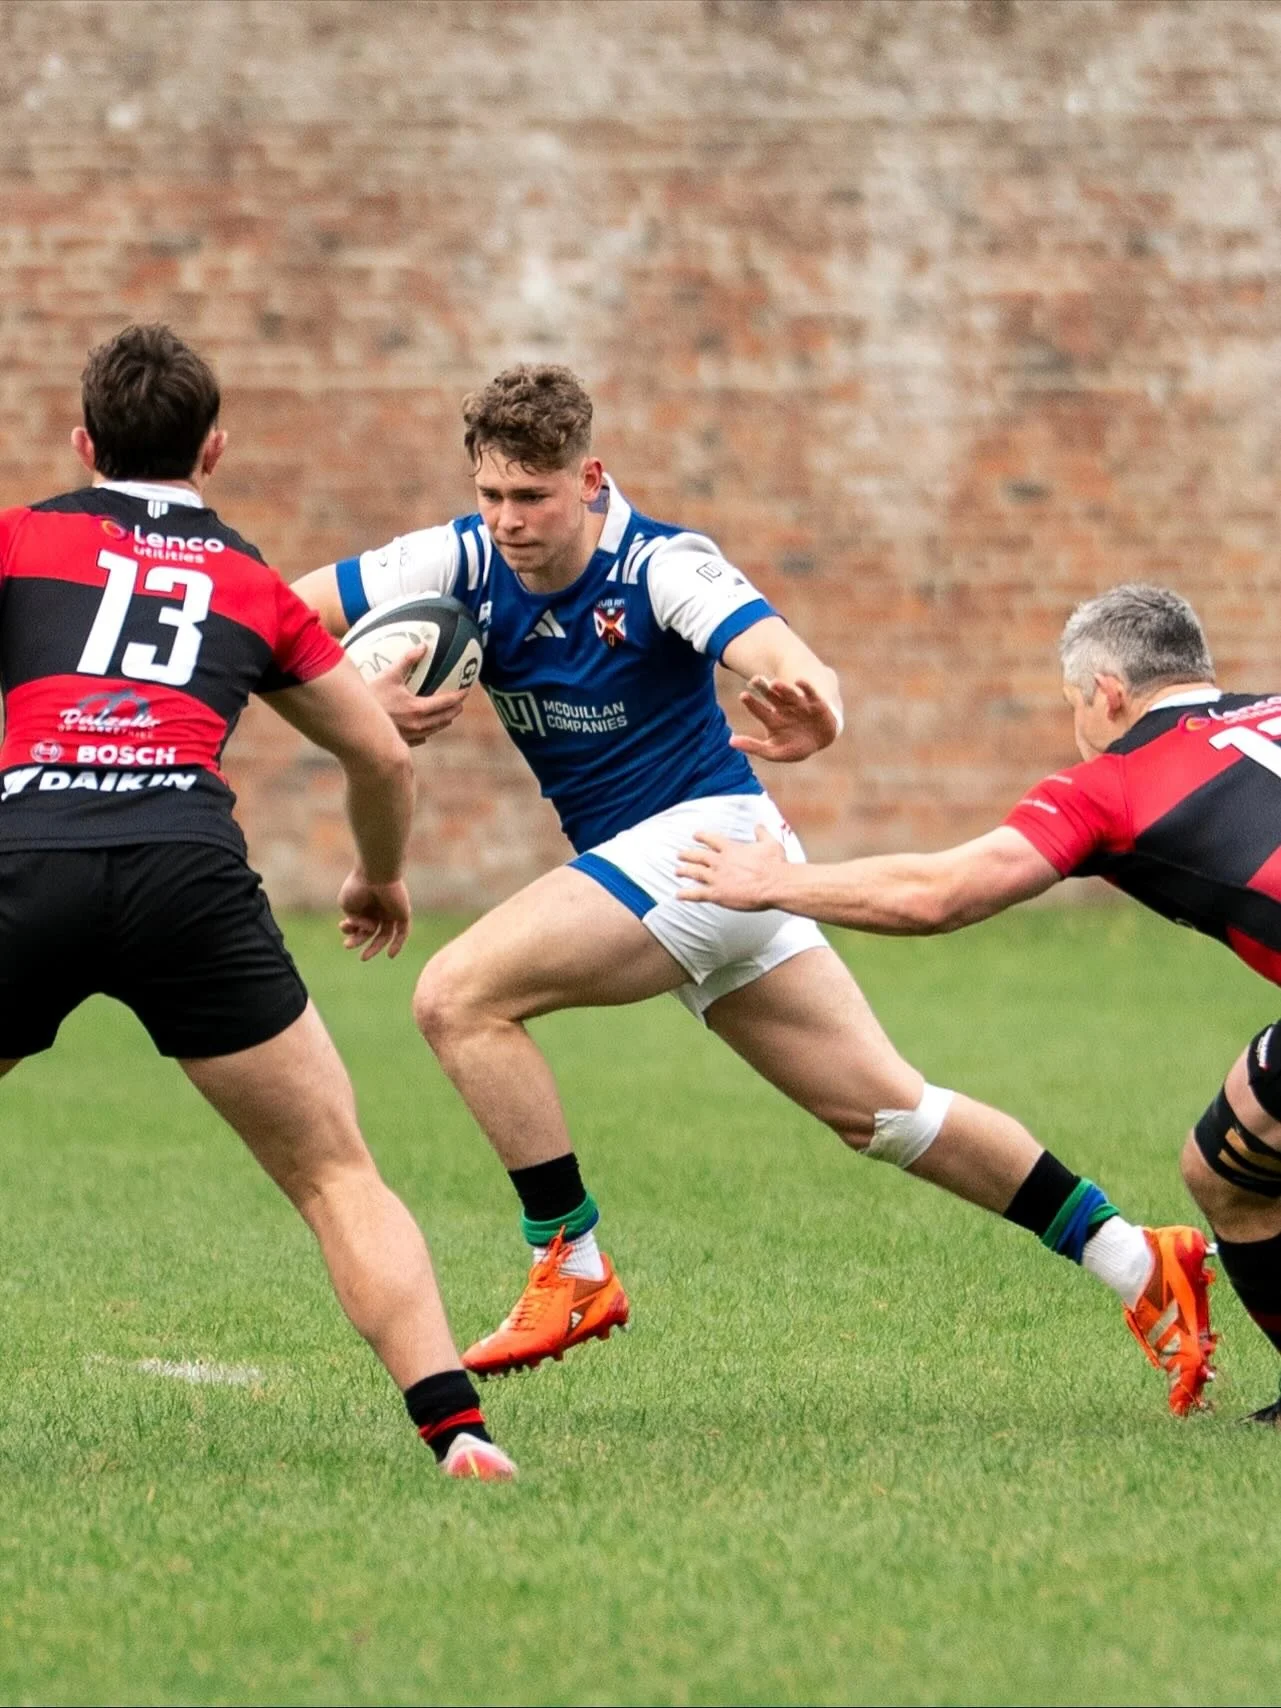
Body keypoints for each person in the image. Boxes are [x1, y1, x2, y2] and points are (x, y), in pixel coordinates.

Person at [294, 370, 1211, 1415]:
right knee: (889, 1115)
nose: (509, 521)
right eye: (493, 494)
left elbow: (779, 653)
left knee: (457, 995)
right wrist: (352, 693)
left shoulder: (661, 562)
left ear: (589, 478)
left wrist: (815, 708)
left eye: (534, 496)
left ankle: (571, 1263)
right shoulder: (454, 557)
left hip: (707, 843)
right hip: (698, 873)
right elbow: (280, 619)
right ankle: (1139, 1261)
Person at [0, 324, 514, 1480]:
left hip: (28, 855)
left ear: (84, 442)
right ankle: (458, 1429)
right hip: (188, 873)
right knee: (336, 1172)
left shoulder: (22, 540)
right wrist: (378, 874)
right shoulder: (248, 582)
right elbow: (383, 759)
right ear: (215, 449)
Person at [675, 581, 1281, 1419]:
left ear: (1105, 694)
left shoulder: (1109, 784)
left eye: (1075, 705)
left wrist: (777, 881)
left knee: (1232, 1165)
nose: (1078, 724)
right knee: (1226, 1165)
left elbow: (940, 892)